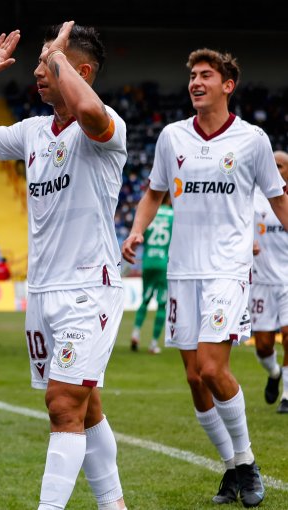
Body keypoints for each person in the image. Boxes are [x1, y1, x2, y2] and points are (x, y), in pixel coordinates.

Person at [0, 22, 129, 510]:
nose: (37, 70)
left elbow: (89, 111)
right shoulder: (34, 132)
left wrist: (58, 55)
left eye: (49, 62)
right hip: (42, 292)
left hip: (87, 288)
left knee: (62, 404)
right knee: (86, 405)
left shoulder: (105, 129)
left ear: (82, 71)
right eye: (39, 61)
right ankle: (113, 504)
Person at [122, 48, 287, 507]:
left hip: (228, 269)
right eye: (192, 76)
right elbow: (153, 194)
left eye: (205, 75)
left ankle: (248, 462)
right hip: (182, 271)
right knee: (195, 380)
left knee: (214, 368)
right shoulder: (172, 138)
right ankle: (232, 469)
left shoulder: (252, 140)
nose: (195, 82)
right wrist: (137, 230)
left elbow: (277, 201)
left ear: (227, 85)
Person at [250, 150, 288, 412]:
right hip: (261, 282)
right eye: (272, 165)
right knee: (263, 345)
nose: (275, 169)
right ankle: (274, 373)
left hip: (287, 282)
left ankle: (287, 394)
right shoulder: (253, 198)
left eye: (280, 165)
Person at [130, 193, 173, 354]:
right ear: (170, 199)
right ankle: (153, 343)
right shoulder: (173, 216)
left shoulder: (150, 214)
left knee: (145, 300)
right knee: (162, 304)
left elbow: (142, 236)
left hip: (148, 261)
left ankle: (135, 333)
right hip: (164, 262)